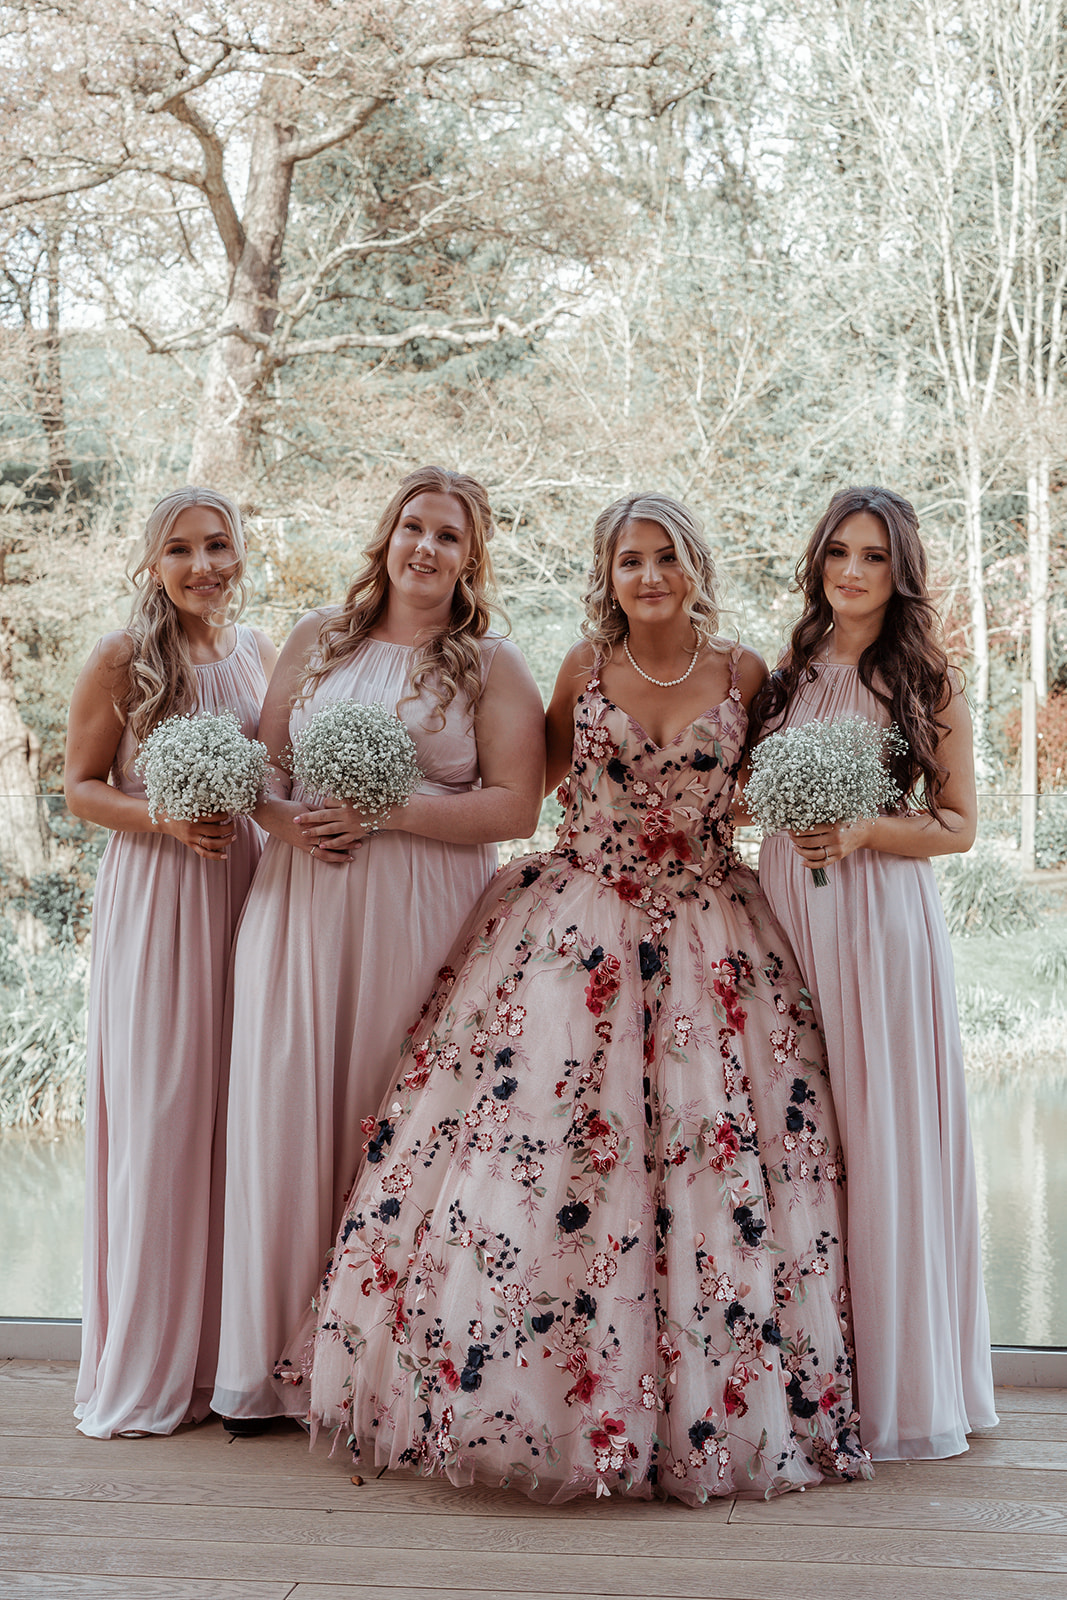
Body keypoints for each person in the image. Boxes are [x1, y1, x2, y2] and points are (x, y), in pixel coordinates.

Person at [291, 492, 871, 1503]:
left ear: (694, 563)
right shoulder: (576, 668)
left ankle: (696, 1412)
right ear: (605, 575)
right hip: (575, 928)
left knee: (706, 1164)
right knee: (543, 1155)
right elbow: (525, 783)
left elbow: (775, 784)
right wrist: (379, 779)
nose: (646, 577)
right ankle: (530, 1403)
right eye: (627, 561)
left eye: (663, 558)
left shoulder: (745, 673)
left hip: (708, 933)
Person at [212, 465, 544, 1429]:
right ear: (386, 538)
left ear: (471, 555)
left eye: (448, 534)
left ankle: (380, 1381)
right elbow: (264, 767)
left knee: (398, 1128)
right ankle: (265, 1371)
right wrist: (282, 819)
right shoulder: (318, 638)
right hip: (300, 907)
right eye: (413, 528)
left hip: (425, 917)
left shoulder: (491, 664)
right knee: (286, 1114)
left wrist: (388, 809)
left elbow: (517, 805)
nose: (426, 548)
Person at [752, 485, 998, 1461]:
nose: (851, 572)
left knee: (878, 1128)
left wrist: (861, 830)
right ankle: (806, 1379)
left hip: (877, 921)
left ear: (899, 573)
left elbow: (959, 823)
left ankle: (899, 1387)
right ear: (817, 563)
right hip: (784, 915)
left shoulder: (923, 676)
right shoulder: (788, 672)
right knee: (797, 1136)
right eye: (837, 554)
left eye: (872, 558)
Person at [65, 486, 275, 1438]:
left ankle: (220, 1360)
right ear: (153, 562)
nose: (204, 566)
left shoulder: (257, 652)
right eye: (182, 550)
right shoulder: (123, 657)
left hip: (248, 892)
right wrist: (164, 813)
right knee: (161, 1116)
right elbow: (77, 789)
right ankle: (147, 1364)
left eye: (218, 545)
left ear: (240, 551)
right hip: (157, 898)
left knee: (238, 1119)